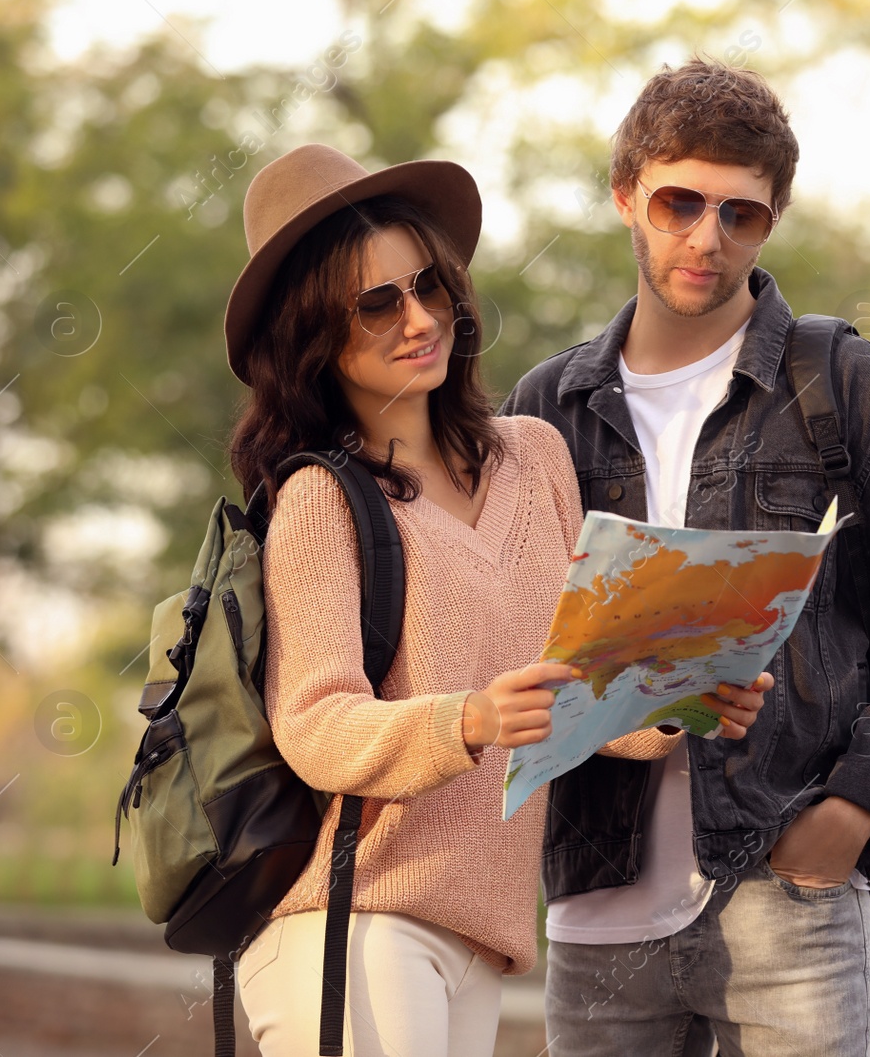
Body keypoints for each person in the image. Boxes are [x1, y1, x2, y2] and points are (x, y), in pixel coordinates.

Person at [219, 143, 772, 1057]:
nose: (419, 316)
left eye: (429, 285)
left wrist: (680, 698)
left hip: (485, 932)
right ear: (310, 334)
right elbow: (313, 724)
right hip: (355, 919)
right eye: (377, 302)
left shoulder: (533, 456)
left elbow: (574, 682)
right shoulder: (319, 499)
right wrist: (468, 719)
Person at [500, 60, 870, 1056]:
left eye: (741, 214)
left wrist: (856, 808)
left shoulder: (840, 381)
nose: (705, 237)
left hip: (788, 888)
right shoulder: (543, 407)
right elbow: (500, 624)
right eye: (679, 202)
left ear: (773, 218)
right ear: (625, 196)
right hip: (597, 907)